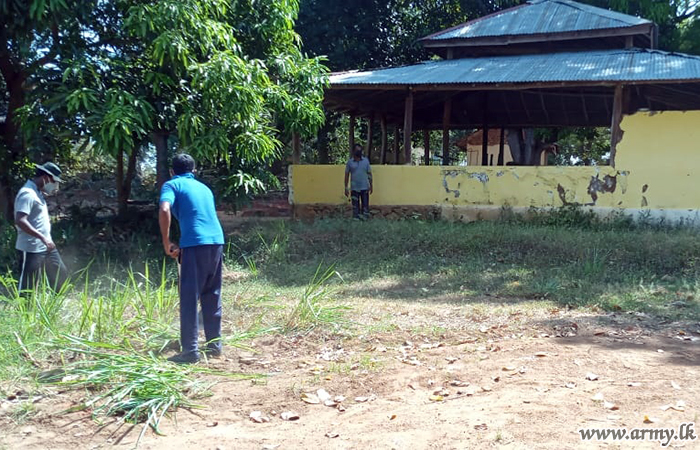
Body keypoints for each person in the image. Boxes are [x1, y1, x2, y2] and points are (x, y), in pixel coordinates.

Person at [159, 154, 225, 364]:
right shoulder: (204, 188)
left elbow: (164, 208)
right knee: (212, 294)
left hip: (194, 244)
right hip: (216, 242)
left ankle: (190, 351)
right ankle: (214, 345)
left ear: (172, 171)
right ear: (194, 171)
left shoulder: (171, 185)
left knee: (189, 297)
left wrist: (166, 241)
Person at [14, 162, 68, 293]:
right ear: (45, 177)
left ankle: (54, 307)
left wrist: (46, 240)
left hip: (46, 245)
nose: (55, 184)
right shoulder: (27, 194)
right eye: (54, 181)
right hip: (31, 247)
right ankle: (25, 312)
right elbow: (20, 220)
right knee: (28, 285)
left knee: (60, 274)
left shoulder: (37, 192)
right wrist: (42, 238)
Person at [344, 144, 373, 220]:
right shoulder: (350, 162)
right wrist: (346, 187)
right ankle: (356, 222)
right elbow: (346, 175)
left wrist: (371, 185)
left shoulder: (366, 161)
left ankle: (365, 221)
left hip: (365, 187)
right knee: (355, 207)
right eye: (357, 150)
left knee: (365, 207)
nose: (359, 152)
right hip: (354, 189)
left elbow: (369, 174)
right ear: (354, 151)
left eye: (360, 150)